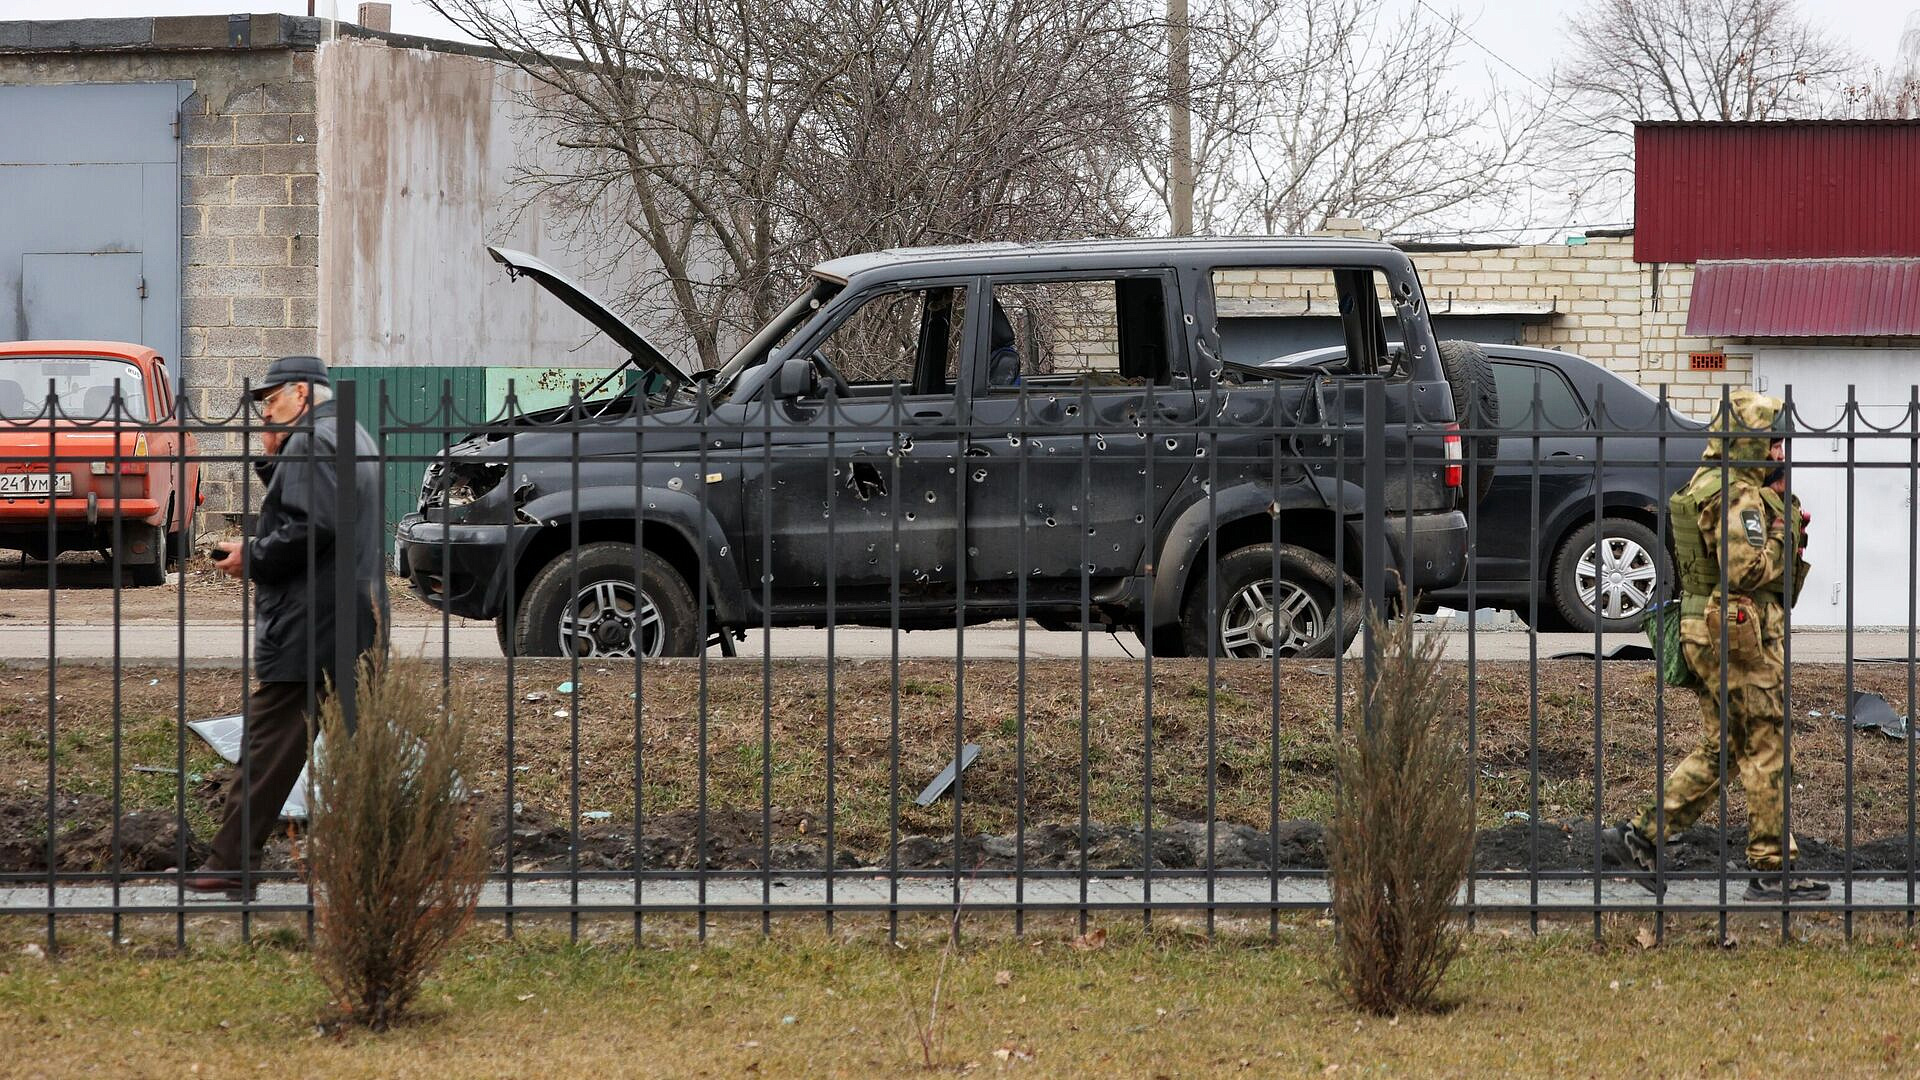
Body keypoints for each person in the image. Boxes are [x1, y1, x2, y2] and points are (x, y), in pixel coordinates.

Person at [1604, 390, 1826, 902]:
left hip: (1708, 628)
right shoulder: (1737, 494)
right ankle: (1773, 868)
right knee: (1764, 740)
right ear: (1747, 442)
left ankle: (1643, 837)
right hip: (1735, 632)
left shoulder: (1709, 483)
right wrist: (1784, 531)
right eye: (1772, 444)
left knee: (1726, 745)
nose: (1779, 455)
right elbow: (1745, 570)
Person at [180, 355, 387, 897]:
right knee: (359, 749)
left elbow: (307, 526)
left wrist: (253, 555)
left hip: (310, 620)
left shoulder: (314, 440)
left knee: (269, 743)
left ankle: (230, 862)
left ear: (301, 391)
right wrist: (276, 460)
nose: (266, 413)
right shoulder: (351, 433)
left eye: (271, 401)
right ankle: (380, 865)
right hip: (351, 616)